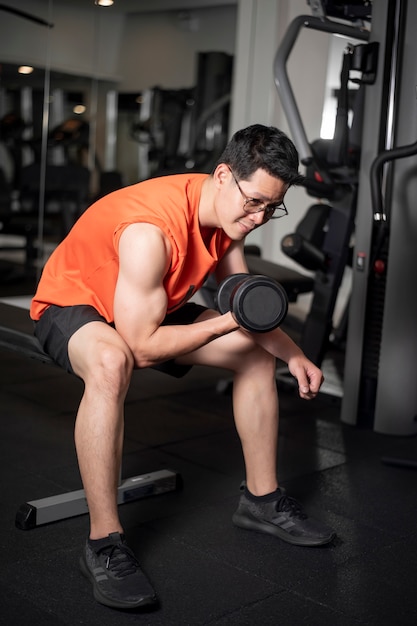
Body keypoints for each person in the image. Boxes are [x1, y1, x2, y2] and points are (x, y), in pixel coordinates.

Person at [30, 124, 335, 611]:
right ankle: (103, 543)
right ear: (222, 176)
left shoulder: (228, 218)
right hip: (75, 304)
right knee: (112, 363)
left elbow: (246, 307)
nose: (258, 218)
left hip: (142, 307)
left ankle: (261, 499)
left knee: (255, 354)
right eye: (253, 202)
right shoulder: (150, 232)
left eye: (270, 208)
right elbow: (142, 348)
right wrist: (223, 324)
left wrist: (294, 354)